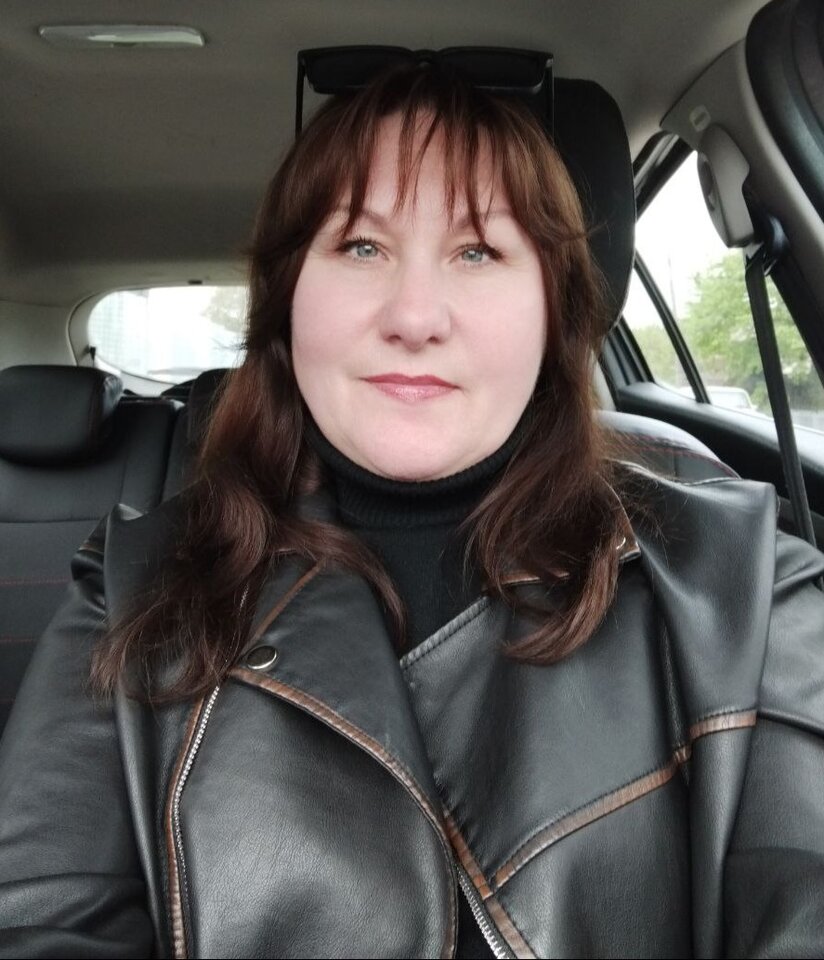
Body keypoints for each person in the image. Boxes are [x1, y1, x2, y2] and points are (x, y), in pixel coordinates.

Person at [1, 59, 823, 960]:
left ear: (554, 307)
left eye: (478, 251)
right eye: (362, 247)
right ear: (286, 299)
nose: (416, 316)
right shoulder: (131, 590)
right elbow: (39, 918)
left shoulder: (746, 585)